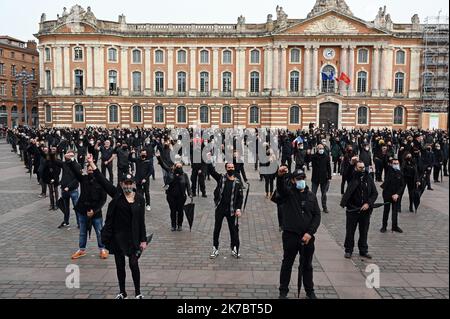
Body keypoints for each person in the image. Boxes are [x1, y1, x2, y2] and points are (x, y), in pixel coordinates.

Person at [89, 158, 147, 299]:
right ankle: (123, 292)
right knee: (120, 266)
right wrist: (92, 164)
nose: (127, 186)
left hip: (133, 238)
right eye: (125, 183)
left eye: (130, 183)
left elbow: (141, 221)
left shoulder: (140, 199)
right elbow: (103, 181)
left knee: (134, 264)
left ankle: (138, 292)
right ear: (121, 184)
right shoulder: (117, 195)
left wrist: (143, 240)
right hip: (118, 237)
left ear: (133, 184)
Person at [276, 167, 321, 299]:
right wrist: (279, 176)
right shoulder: (289, 193)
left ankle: (309, 290)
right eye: (298, 179)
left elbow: (317, 216)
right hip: (291, 235)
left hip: (307, 237)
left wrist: (310, 233)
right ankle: (283, 291)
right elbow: (280, 188)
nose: (301, 181)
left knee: (307, 265)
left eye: (303, 178)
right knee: (287, 263)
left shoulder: (311, 196)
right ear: (294, 181)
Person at [68, 154, 108, 260]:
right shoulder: (84, 179)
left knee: (99, 231)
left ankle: (102, 249)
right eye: (88, 169)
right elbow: (76, 171)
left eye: (92, 169)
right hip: (82, 210)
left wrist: (94, 211)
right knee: (82, 232)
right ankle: (81, 249)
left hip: (96, 212)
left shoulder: (101, 182)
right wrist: (71, 160)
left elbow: (103, 200)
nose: (90, 171)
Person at [340, 161, 378, 259]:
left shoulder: (368, 178)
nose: (362, 169)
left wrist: (368, 203)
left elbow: (375, 193)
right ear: (356, 168)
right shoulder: (352, 177)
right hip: (353, 209)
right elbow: (346, 174)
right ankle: (348, 250)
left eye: (363, 167)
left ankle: (363, 250)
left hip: (365, 210)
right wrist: (352, 164)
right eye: (360, 167)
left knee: (364, 231)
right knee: (350, 231)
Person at [209, 162, 244, 259]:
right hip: (220, 208)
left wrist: (238, 209)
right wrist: (208, 161)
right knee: (217, 229)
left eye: (232, 167)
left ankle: (234, 248)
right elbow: (212, 172)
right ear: (226, 169)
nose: (231, 169)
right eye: (229, 167)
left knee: (233, 230)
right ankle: (215, 248)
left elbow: (240, 197)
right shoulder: (221, 178)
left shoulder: (237, 182)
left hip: (231, 210)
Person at [157, 153, 192, 231]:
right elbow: (163, 165)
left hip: (181, 196)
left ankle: (179, 224)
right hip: (171, 196)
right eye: (177, 165)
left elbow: (188, 185)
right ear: (175, 165)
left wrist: (190, 193)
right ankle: (173, 225)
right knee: (172, 210)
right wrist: (159, 157)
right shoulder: (170, 172)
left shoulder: (184, 175)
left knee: (180, 211)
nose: (179, 166)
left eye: (180, 165)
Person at [55, 150, 81, 229]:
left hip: (73, 190)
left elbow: (77, 178)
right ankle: (66, 222)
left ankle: (79, 223)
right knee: (66, 207)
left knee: (76, 207)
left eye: (71, 156)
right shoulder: (64, 164)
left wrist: (68, 187)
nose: (69, 157)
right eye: (68, 155)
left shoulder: (77, 165)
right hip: (64, 190)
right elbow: (54, 160)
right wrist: (53, 152)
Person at [380, 158, 405, 233]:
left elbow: (402, 185)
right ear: (391, 164)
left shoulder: (400, 173)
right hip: (387, 194)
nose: (396, 165)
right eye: (394, 163)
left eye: (397, 163)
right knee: (386, 211)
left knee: (395, 212)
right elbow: (385, 162)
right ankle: (384, 226)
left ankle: (395, 226)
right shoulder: (389, 170)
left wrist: (397, 194)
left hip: (396, 195)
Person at [306, 144, 332, 214]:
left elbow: (329, 167)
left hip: (324, 178)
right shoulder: (314, 156)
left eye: (322, 148)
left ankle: (324, 207)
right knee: (313, 194)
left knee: (324, 194)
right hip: (315, 178)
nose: (321, 150)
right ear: (317, 149)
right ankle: (312, 208)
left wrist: (329, 177)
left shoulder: (326, 157)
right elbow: (307, 160)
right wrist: (308, 154)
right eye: (320, 148)